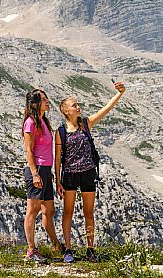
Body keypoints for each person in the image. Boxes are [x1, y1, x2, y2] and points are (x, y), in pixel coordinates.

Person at [55, 80, 126, 263]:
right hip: (69, 175)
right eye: (74, 105)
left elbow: (107, 108)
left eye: (77, 104)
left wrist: (120, 93)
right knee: (67, 212)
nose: (78, 107)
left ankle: (90, 249)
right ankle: (68, 250)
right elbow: (57, 158)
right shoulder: (60, 132)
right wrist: (57, 180)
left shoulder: (86, 124)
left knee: (89, 212)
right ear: (65, 110)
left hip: (88, 173)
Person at [22, 88, 64, 262]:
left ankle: (55, 245)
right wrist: (35, 174)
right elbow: (28, 151)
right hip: (37, 170)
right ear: (34, 104)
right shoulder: (30, 122)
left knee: (49, 210)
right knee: (33, 210)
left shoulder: (43, 121)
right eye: (44, 99)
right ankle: (31, 250)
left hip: (45, 171)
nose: (48, 101)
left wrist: (49, 173)